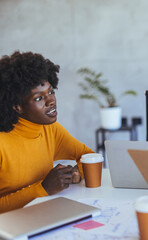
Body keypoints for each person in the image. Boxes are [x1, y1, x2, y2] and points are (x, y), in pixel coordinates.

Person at [0, 51, 94, 213]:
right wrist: (42, 189)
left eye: (51, 92)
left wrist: (76, 173)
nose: (51, 101)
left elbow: (89, 157)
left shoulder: (50, 129)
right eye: (39, 98)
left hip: (42, 215)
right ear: (17, 106)